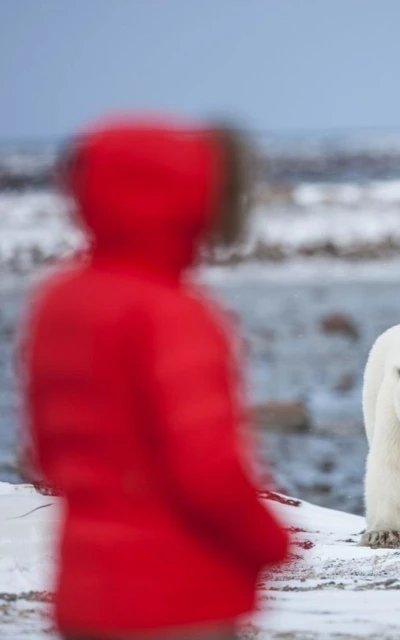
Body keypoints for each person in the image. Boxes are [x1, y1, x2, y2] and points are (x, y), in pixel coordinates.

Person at [22, 116, 290, 640]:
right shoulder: (174, 314)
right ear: (186, 197)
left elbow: (46, 452)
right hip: (179, 598)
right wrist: (268, 543)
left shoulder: (57, 301)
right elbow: (207, 468)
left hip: (86, 593)